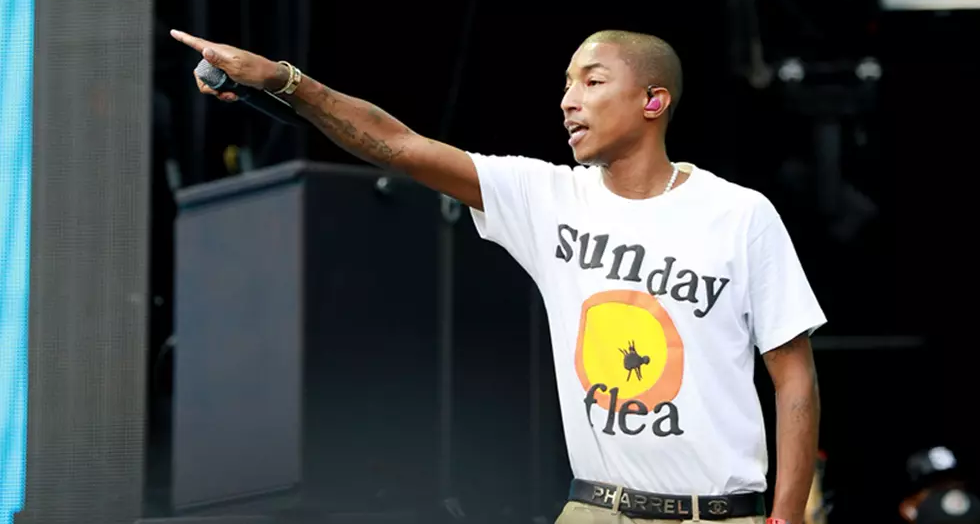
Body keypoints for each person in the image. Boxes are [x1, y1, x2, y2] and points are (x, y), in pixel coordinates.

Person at [171, 27, 826, 524]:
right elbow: (396, 144)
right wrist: (283, 79)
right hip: (596, 509)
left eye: (592, 82)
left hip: (720, 511)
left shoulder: (739, 215)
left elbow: (793, 374)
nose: (569, 100)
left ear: (654, 99)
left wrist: (786, 518)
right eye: (566, 84)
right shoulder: (547, 197)